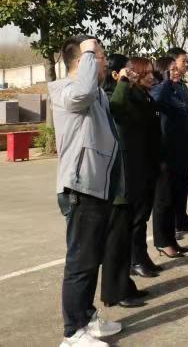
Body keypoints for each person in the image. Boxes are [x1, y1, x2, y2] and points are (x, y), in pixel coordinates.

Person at [49, 36, 123, 347]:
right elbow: (82, 92)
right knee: (80, 262)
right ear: (83, 62)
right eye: (99, 57)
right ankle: (72, 332)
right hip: (79, 187)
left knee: (92, 259)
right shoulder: (65, 90)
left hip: (97, 187)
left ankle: (86, 316)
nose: (104, 62)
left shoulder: (96, 93)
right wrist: (90, 50)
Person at [110, 57, 163, 280]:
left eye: (151, 72)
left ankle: (142, 256)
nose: (151, 77)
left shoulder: (145, 95)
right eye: (146, 73)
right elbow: (118, 110)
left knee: (143, 214)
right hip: (137, 163)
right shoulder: (130, 96)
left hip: (149, 162)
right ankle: (136, 259)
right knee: (137, 217)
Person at [150, 57, 187, 259]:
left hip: (176, 152)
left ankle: (171, 238)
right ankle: (162, 242)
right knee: (162, 200)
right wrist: (165, 80)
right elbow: (156, 97)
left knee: (173, 198)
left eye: (176, 69)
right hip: (162, 154)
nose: (176, 72)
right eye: (171, 69)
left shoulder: (175, 90)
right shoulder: (158, 89)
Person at [166, 46, 188, 235]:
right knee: (172, 187)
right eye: (183, 61)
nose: (186, 65)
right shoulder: (165, 86)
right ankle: (171, 225)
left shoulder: (181, 86)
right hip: (173, 146)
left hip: (185, 144)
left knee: (183, 184)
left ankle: (182, 220)